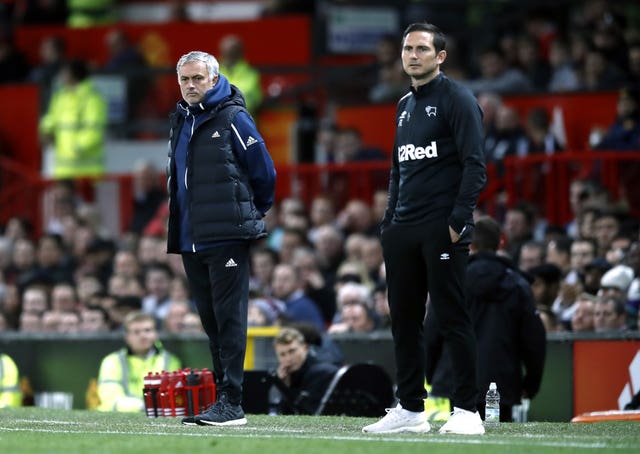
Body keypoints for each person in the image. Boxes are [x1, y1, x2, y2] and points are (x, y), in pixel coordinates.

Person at [362, 23, 486, 436]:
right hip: (403, 228)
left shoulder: (458, 99)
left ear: (440, 56)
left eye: (421, 49)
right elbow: (398, 168)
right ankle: (411, 408)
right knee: (404, 320)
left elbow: (475, 165)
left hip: (441, 227)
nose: (412, 55)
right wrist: (388, 222)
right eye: (407, 49)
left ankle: (468, 411)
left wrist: (458, 221)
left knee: (451, 317)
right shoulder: (403, 105)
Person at [166, 51, 276, 426]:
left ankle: (232, 402)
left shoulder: (233, 117)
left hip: (225, 235)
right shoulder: (181, 119)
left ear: (214, 79)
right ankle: (222, 401)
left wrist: (249, 213)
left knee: (229, 319)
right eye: (185, 79)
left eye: (198, 78)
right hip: (191, 238)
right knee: (212, 321)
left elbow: (264, 171)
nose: (191, 85)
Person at [425, 215, 546, 422]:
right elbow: (534, 340)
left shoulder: (451, 282)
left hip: (456, 377)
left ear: (469, 244)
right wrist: (531, 383)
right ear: (500, 242)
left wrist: (432, 373)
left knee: (460, 435)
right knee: (497, 437)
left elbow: (432, 331)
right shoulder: (518, 285)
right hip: (501, 381)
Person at [96, 311, 181, 412]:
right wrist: (143, 407)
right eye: (136, 332)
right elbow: (110, 399)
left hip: (156, 416)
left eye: (147, 330)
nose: (143, 335)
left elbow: (173, 397)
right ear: (127, 337)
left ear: (155, 334)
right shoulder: (112, 361)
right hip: (121, 418)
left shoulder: (170, 360)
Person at [38, 58, 107, 179]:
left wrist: (76, 148)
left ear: (73, 76)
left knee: (85, 199)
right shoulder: (61, 97)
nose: (61, 77)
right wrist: (45, 130)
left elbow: (94, 130)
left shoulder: (92, 98)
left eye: (64, 73)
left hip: (87, 172)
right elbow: (52, 118)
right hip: (64, 170)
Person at [269, 327, 339, 415]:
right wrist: (283, 385)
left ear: (305, 348)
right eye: (282, 355)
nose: (288, 359)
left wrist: (284, 387)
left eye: (292, 351)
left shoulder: (321, 372)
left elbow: (306, 411)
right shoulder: (287, 376)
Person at [218, 35, 263, 116]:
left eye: (232, 52)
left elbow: (253, 102)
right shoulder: (213, 74)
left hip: (244, 125)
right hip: (218, 126)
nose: (229, 56)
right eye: (227, 52)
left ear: (239, 53)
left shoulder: (251, 74)